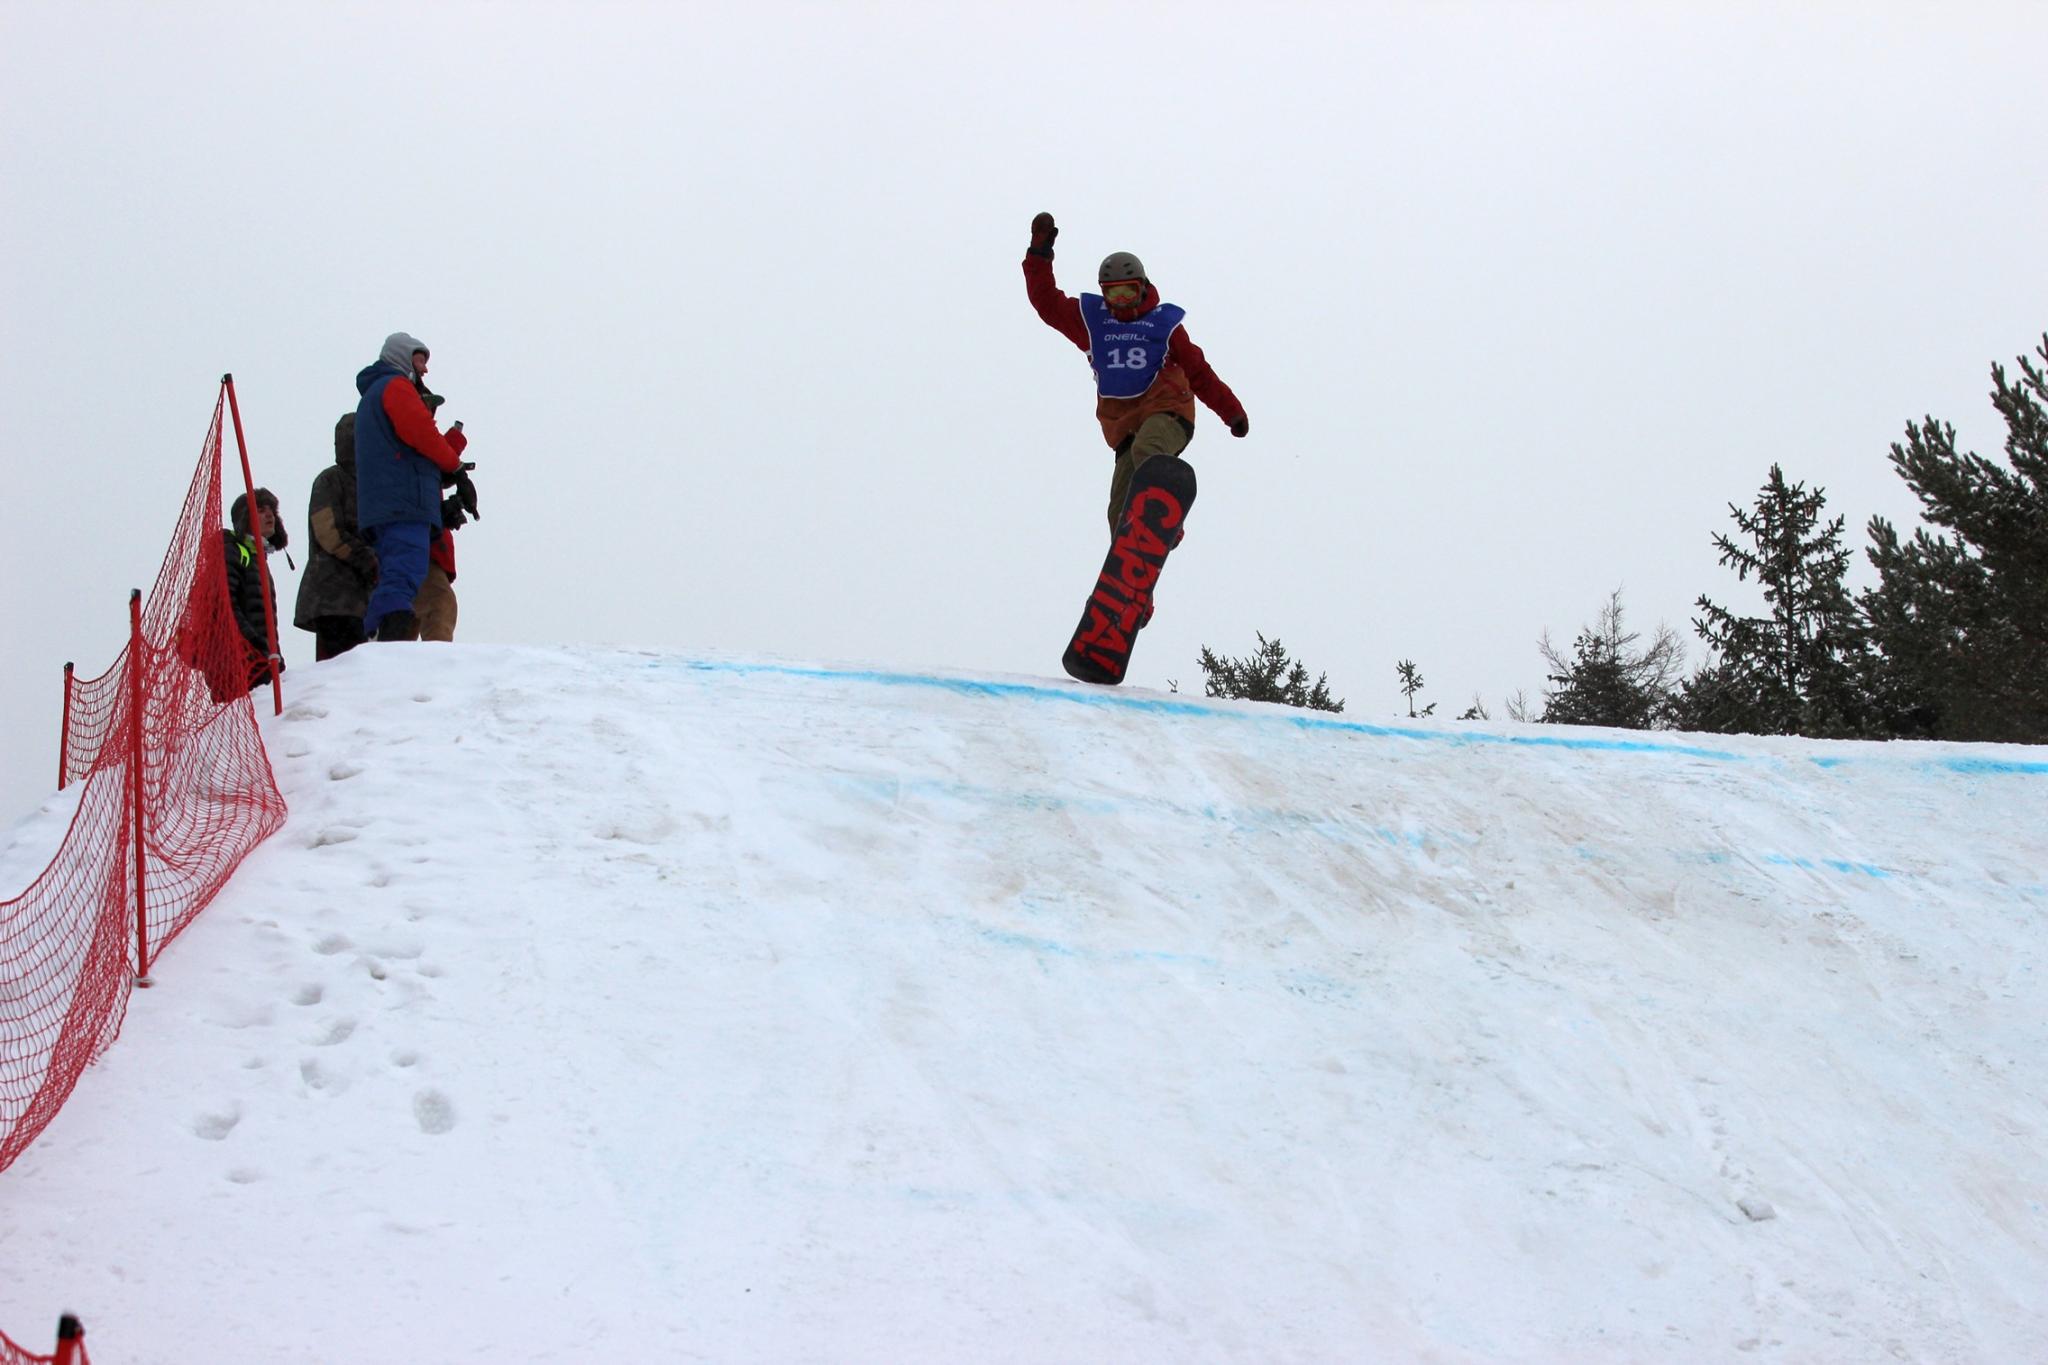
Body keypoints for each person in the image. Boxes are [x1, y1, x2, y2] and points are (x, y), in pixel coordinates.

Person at [1022, 211, 1249, 534]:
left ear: (1142, 287)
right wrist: (1039, 253)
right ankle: (1133, 579)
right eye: (1114, 294)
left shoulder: (1162, 326)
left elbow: (1199, 372)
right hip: (1124, 428)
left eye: (1128, 292)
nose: (1122, 302)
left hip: (1168, 414)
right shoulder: (1093, 323)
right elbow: (1045, 302)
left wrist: (1232, 412)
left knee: (1149, 449)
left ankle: (1163, 519)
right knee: (1119, 511)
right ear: (1104, 293)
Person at [353, 332, 468, 642]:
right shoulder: (395, 387)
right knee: (404, 572)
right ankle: (385, 637)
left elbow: (409, 452)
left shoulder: (376, 394)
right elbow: (422, 435)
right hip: (402, 504)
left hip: (392, 503)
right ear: (402, 358)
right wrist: (455, 467)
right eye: (419, 360)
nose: (424, 370)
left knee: (401, 573)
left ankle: (382, 634)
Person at [292, 413, 379, 660]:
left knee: (356, 674)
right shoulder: (330, 479)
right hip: (331, 599)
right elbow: (327, 532)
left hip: (361, 600)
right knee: (335, 675)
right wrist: (365, 557)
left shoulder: (371, 484)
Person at [411, 381, 478, 643]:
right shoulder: (411, 449)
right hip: (419, 545)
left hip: (422, 544)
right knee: (439, 603)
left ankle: (398, 674)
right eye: (427, 407)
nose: (432, 414)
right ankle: (436, 668)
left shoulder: (414, 449)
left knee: (406, 619)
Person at [224, 488, 287, 691]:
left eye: (272, 510)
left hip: (260, 661)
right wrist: (256, 645)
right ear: (245, 519)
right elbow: (227, 605)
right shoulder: (233, 552)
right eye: (260, 510)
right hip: (239, 663)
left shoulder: (256, 557)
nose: (270, 515)